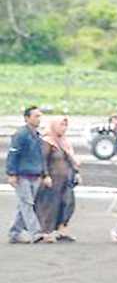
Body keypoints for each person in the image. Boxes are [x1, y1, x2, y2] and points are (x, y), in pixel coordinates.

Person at [7, 105, 52, 244]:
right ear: (27, 118)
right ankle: (36, 233)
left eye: (40, 116)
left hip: (35, 175)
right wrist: (12, 173)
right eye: (36, 116)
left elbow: (41, 156)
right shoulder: (20, 135)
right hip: (22, 175)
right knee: (27, 203)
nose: (39, 119)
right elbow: (13, 154)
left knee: (24, 205)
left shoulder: (37, 135)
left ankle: (14, 232)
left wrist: (45, 174)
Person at [35, 113, 79, 241]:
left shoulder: (64, 142)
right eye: (61, 125)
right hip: (53, 180)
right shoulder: (47, 141)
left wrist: (76, 172)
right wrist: (46, 175)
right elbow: (43, 160)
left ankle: (62, 230)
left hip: (66, 180)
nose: (64, 128)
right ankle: (46, 232)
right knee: (50, 205)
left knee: (68, 204)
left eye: (65, 125)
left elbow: (70, 160)